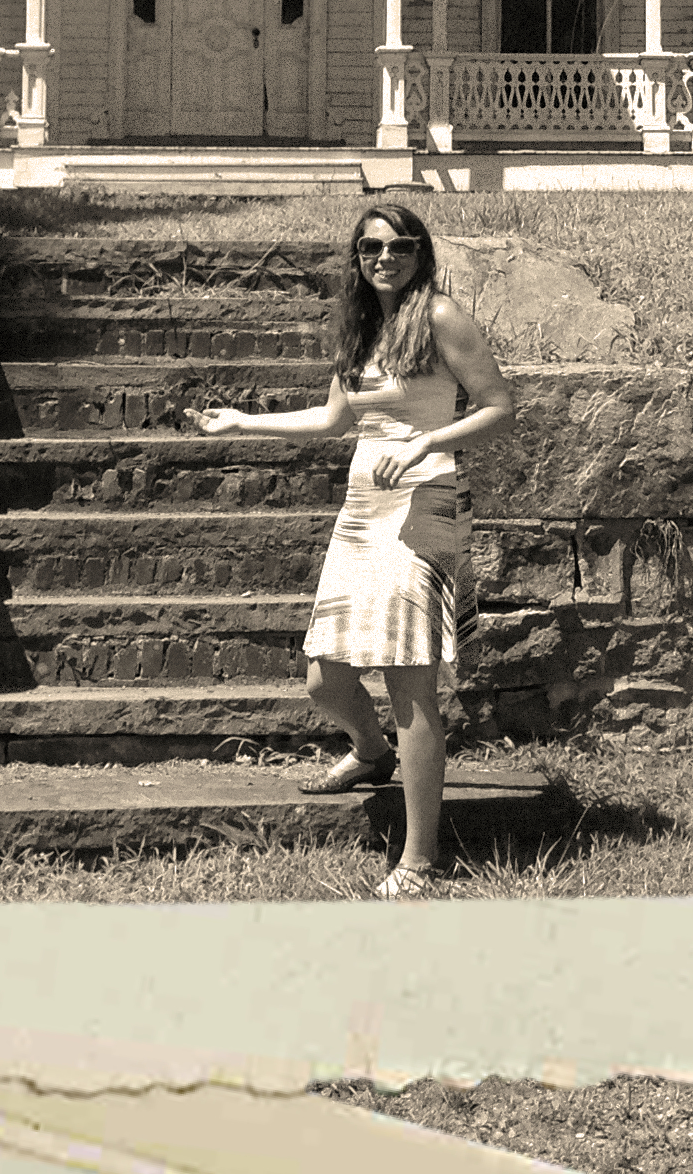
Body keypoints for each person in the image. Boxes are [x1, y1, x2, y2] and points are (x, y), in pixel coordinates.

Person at [194, 199, 517, 898]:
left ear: (420, 254)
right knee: (325, 676)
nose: (385, 259)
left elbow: (499, 405)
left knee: (410, 681)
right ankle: (372, 753)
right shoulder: (360, 327)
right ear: (356, 258)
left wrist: (431, 439)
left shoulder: (439, 316)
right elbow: (335, 420)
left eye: (400, 248)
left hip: (422, 505)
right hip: (363, 509)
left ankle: (420, 860)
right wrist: (242, 420)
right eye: (371, 249)